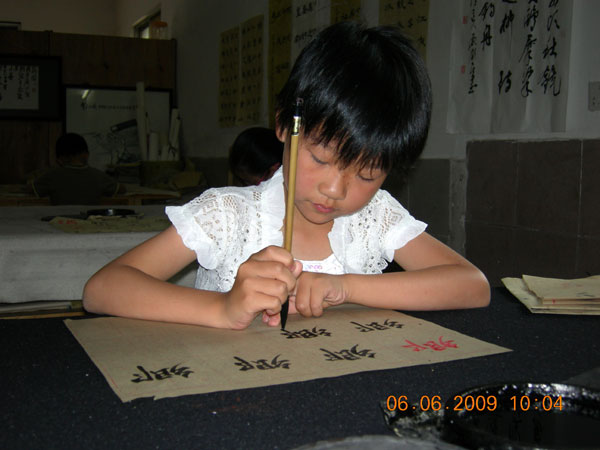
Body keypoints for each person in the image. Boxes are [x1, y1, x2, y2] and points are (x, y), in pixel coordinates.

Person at [83, 22, 490, 330]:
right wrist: (222, 308)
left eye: (367, 174)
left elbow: (471, 285)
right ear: (283, 126)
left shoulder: (374, 217)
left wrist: (346, 287)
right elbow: (102, 289)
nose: (335, 190)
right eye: (319, 158)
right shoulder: (228, 215)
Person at [33, 133, 124, 205]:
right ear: (86, 154)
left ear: (60, 159)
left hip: (60, 220)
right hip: (89, 220)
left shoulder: (52, 175)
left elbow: (31, 189)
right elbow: (121, 189)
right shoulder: (99, 176)